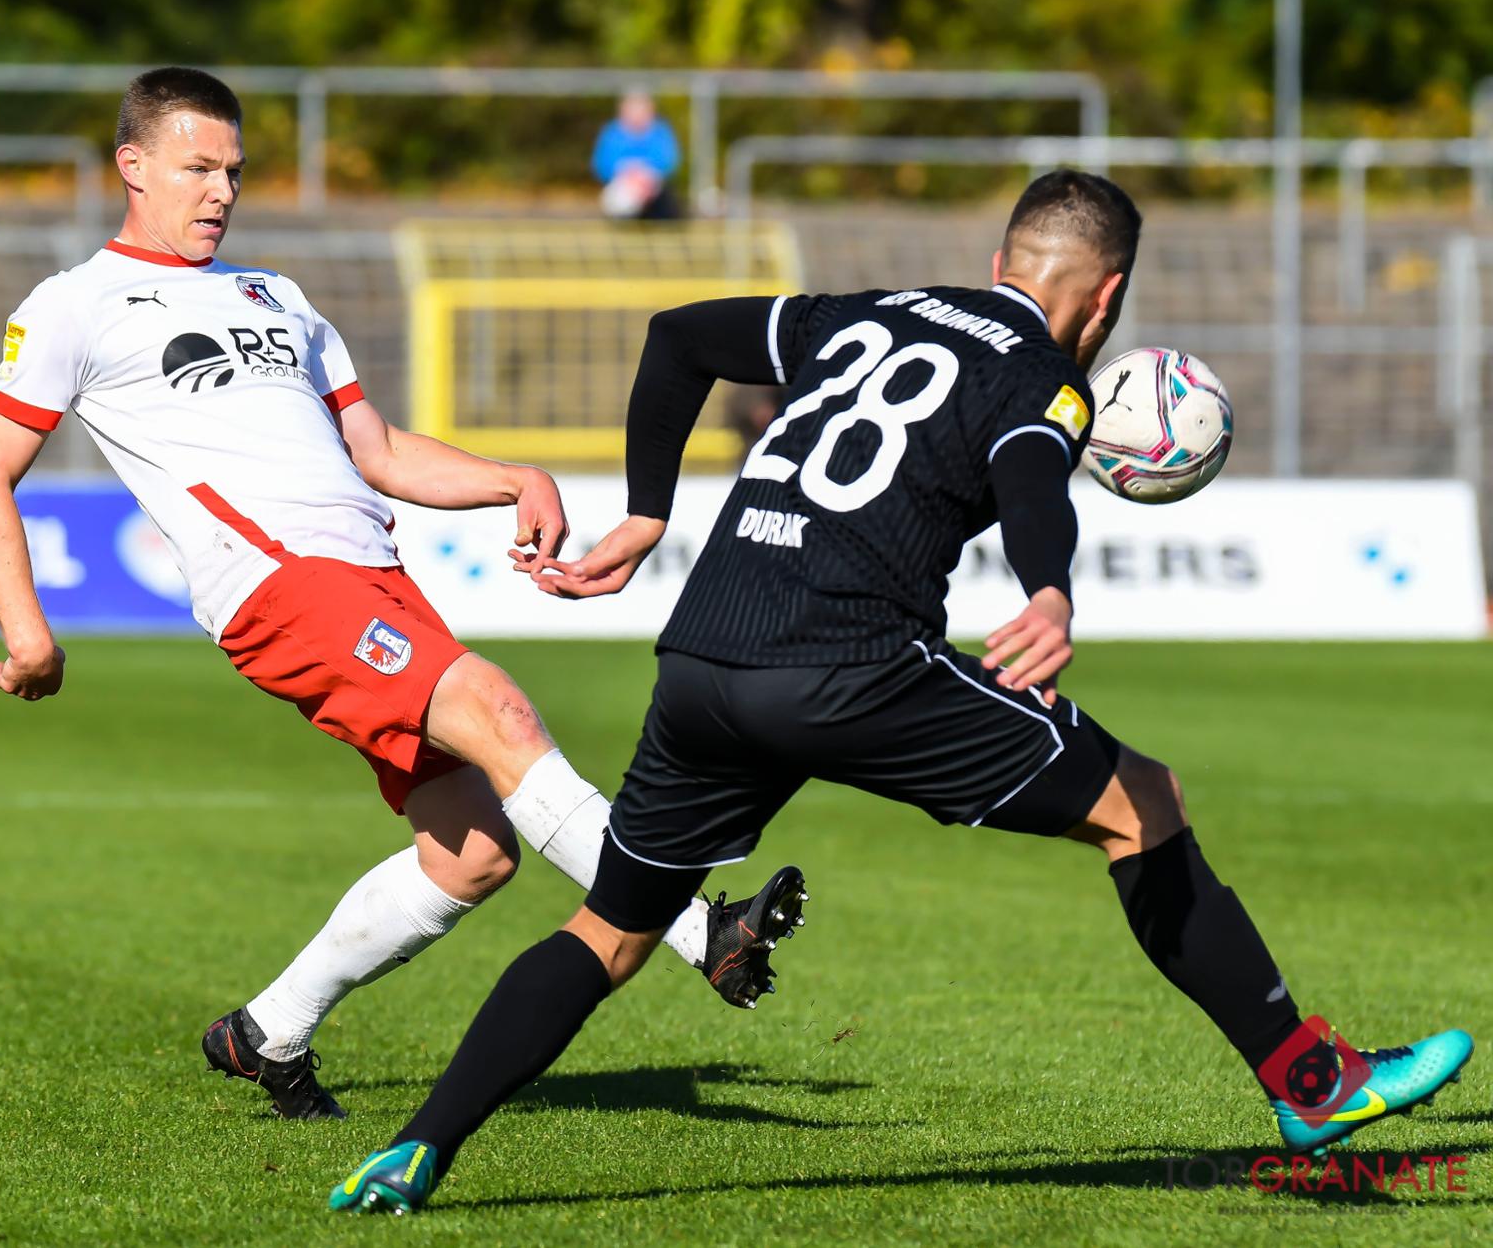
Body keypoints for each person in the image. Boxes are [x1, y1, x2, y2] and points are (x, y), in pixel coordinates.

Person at [329, 169, 1472, 1213]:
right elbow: (1033, 476)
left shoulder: (866, 312)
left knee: (611, 929)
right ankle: (1310, 1080)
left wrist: (645, 513)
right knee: (1145, 802)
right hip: (846, 662)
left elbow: (677, 336)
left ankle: (417, 1146)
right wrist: (1049, 588)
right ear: (1107, 298)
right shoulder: (1042, 377)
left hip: (702, 656)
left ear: (998, 261)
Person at [0, 66, 805, 1124]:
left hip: (375, 580)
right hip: (279, 587)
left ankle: (268, 1030)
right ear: (132, 166)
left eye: (234, 171)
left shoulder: (278, 297)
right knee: (501, 711)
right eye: (197, 168)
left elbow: (382, 450)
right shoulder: (74, 305)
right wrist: (28, 635)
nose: (220, 191)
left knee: (474, 852)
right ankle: (699, 930)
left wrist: (513, 478)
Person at [592, 91, 681, 220]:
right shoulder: (612, 133)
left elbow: (669, 161)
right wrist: (627, 174)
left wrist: (647, 176)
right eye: (633, 108)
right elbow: (602, 164)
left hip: (653, 185)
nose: (637, 113)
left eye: (641, 108)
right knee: (620, 199)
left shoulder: (660, 131)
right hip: (621, 183)